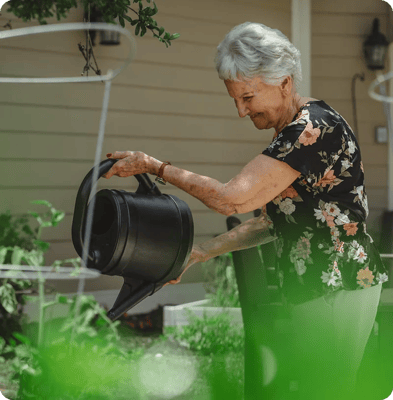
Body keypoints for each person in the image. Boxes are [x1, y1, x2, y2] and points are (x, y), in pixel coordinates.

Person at [103, 22, 390, 400]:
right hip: (316, 285)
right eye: (234, 99)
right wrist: (203, 252)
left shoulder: (312, 130)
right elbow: (273, 222)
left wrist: (156, 167)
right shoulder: (291, 133)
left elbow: (232, 199)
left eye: (248, 97)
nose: (241, 111)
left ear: (284, 82)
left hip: (336, 283)